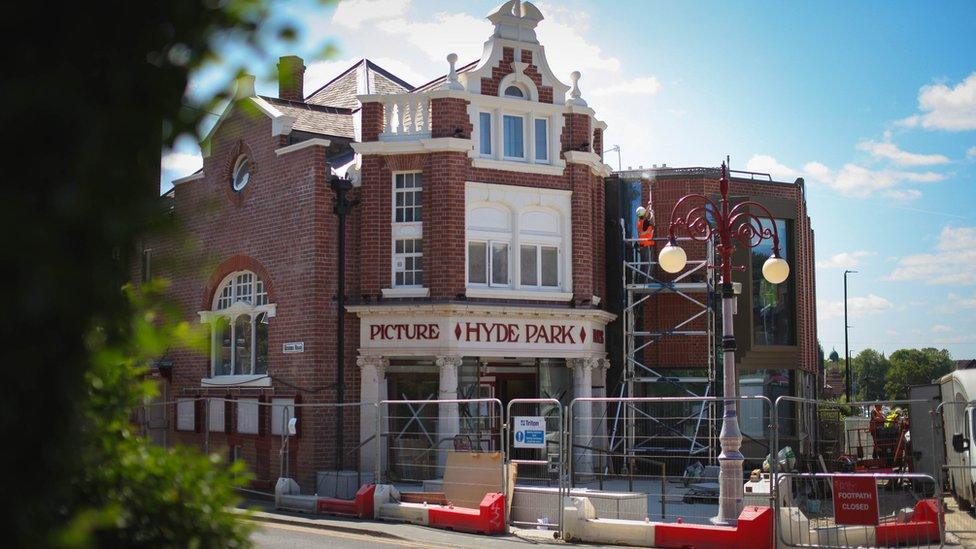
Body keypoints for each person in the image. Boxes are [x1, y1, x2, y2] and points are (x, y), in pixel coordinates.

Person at [635, 205, 655, 282]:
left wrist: (652, 213)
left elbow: (652, 223)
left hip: (646, 245)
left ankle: (647, 280)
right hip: (646, 245)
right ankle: (647, 281)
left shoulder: (643, 222)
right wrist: (649, 206)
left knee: (648, 264)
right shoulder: (642, 222)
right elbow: (641, 233)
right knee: (648, 264)